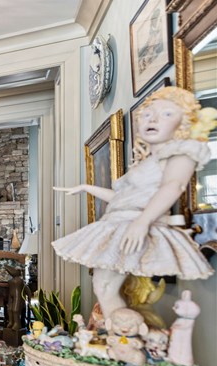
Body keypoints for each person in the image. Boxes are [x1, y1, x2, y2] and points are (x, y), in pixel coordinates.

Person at [53, 86, 215, 320]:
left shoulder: (180, 153)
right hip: (120, 221)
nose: (153, 119)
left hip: (134, 224)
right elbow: (122, 199)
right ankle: (118, 332)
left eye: (167, 114)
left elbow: (174, 186)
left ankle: (125, 332)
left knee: (106, 287)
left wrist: (142, 221)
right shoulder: (148, 160)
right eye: (148, 114)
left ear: (183, 122)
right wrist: (86, 188)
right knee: (102, 286)